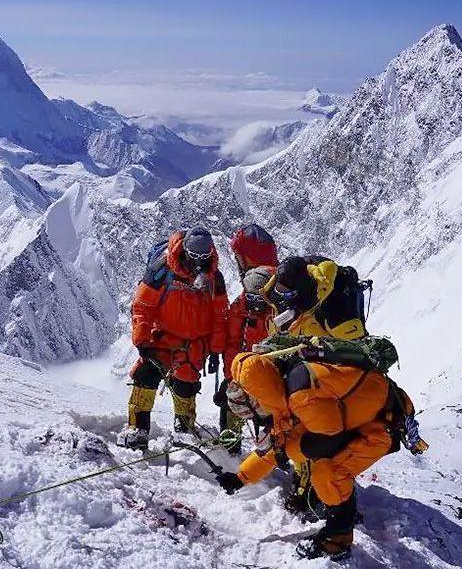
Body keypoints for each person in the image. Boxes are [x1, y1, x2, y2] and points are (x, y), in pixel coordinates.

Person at [215, 255, 415, 561]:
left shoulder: (300, 393)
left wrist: (299, 447)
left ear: (258, 400)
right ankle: (320, 502)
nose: (251, 417)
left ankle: (337, 538)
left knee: (327, 471)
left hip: (379, 427)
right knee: (310, 456)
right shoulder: (283, 393)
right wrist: (240, 478)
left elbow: (327, 437)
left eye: (249, 410)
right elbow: (276, 445)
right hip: (352, 411)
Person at [117, 227, 229, 449]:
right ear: (185, 251)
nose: (198, 263)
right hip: (162, 338)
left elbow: (220, 315)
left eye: (203, 258)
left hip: (194, 344)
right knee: (145, 374)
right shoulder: (162, 270)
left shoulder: (214, 278)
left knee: (186, 385)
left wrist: (216, 349)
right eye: (194, 257)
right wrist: (141, 340)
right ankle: (137, 427)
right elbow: (142, 306)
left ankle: (184, 429)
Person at [216, 224, 279, 454]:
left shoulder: (249, 299)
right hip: (279, 382)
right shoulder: (287, 291)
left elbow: (235, 340)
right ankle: (278, 459)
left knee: (231, 401)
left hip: (259, 380)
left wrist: (233, 378)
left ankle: (231, 453)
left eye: (239, 257)